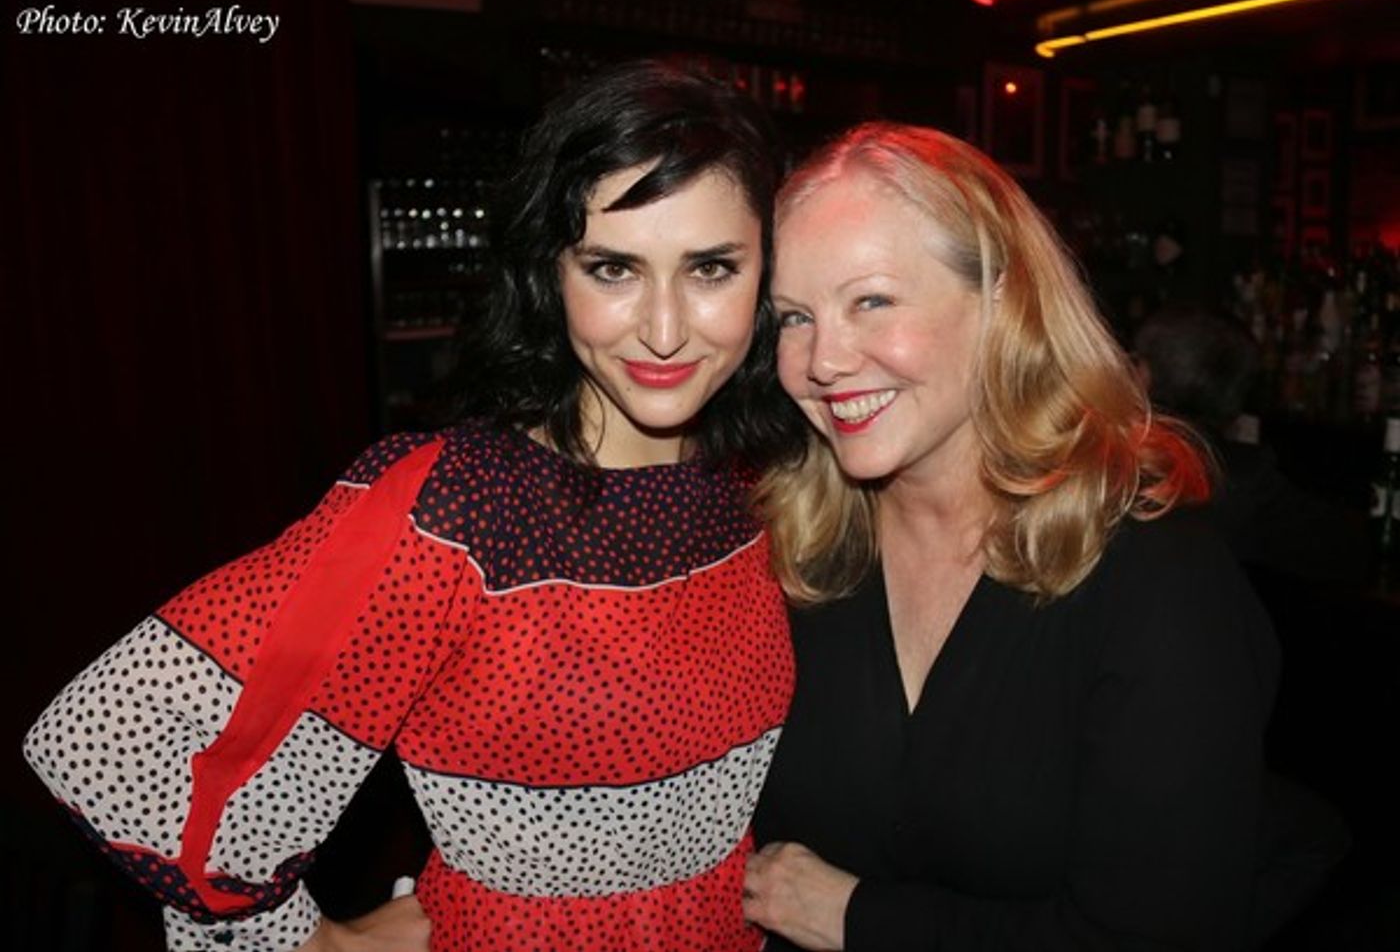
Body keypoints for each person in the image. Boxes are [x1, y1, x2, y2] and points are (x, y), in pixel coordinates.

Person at [25, 60, 806, 952]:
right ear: (551, 275)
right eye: (613, 267)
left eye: (710, 267)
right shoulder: (451, 510)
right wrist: (321, 940)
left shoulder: (755, 482)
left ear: (766, 276)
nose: (665, 329)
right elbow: (114, 746)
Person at [743, 123, 1342, 951]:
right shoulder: (796, 550)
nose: (821, 360)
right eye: (794, 318)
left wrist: (854, 916)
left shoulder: (1155, 576)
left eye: (871, 300)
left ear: (1000, 299)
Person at [1132, 304, 1371, 585]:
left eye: (1133, 361)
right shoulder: (1244, 481)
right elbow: (1354, 551)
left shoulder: (1111, 464)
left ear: (1144, 377)